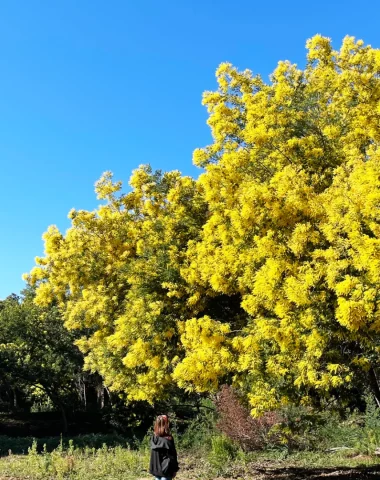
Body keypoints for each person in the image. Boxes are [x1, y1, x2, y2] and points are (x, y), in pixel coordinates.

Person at [149, 414, 179, 480]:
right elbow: (173, 455)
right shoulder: (168, 439)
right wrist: (175, 469)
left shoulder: (154, 439)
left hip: (156, 469)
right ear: (166, 424)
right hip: (167, 469)